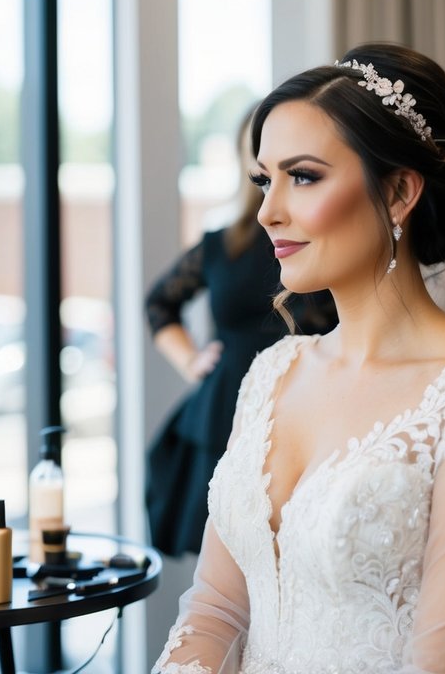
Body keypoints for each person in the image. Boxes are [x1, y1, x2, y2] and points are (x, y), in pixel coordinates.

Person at [153, 43, 445, 674]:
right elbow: (217, 609)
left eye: (303, 176)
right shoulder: (272, 374)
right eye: (264, 179)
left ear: (397, 193)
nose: (267, 211)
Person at [144, 111, 338, 558]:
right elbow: (159, 303)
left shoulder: (326, 240)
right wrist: (192, 361)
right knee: (225, 563)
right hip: (225, 410)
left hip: (309, 408)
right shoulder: (219, 245)